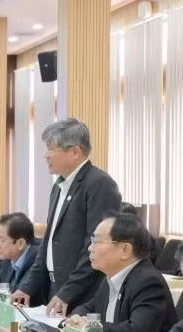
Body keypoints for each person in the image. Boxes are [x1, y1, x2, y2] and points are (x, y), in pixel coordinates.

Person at [13, 118, 122, 314]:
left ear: (75, 151)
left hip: (83, 293)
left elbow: (96, 246)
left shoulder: (100, 184)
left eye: (51, 149)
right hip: (54, 287)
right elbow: (48, 242)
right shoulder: (59, 186)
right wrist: (27, 286)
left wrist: (67, 292)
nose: (46, 156)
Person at [66, 214, 176, 332]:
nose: (90, 248)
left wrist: (87, 327)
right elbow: (87, 308)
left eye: (97, 241)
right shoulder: (111, 277)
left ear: (125, 250)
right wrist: (77, 319)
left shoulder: (148, 282)